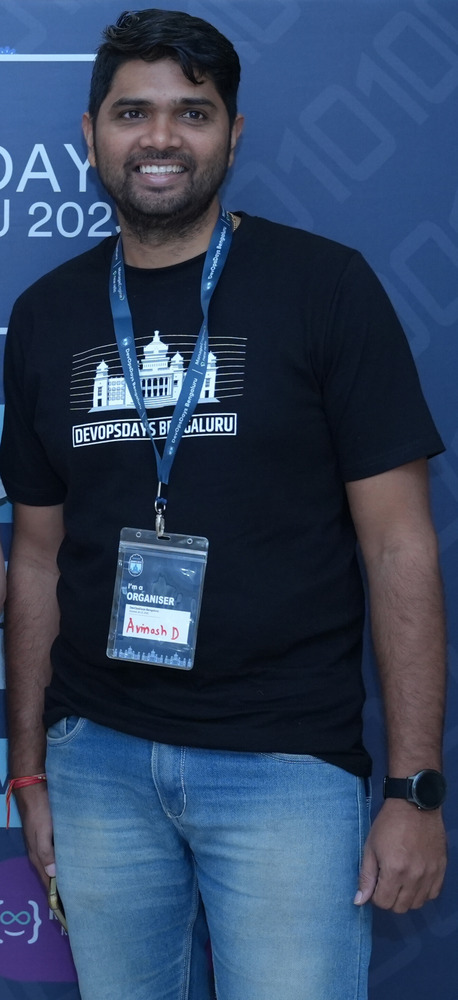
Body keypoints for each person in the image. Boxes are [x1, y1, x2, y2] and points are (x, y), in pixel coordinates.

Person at [0, 8, 447, 1000]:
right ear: (89, 134)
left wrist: (414, 787)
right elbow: (34, 557)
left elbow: (399, 548)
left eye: (191, 113)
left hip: (283, 764)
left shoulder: (324, 288)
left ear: (232, 135)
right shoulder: (46, 317)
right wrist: (30, 771)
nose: (160, 137)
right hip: (98, 762)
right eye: (132, 112)